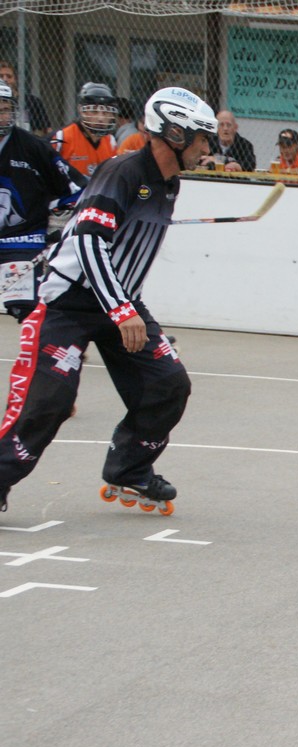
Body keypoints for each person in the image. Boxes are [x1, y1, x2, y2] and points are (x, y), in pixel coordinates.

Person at [0, 86, 218, 515]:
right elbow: (88, 242)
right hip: (69, 303)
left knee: (169, 386)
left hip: (123, 303)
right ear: (175, 135)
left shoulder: (169, 182)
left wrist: (124, 306)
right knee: (50, 403)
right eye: (201, 139)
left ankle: (129, 469)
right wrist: (120, 309)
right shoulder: (123, 172)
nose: (206, 149)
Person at [0, 81, 85, 323]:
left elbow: (76, 190)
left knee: (26, 310)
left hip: (21, 241)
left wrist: (60, 226)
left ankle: (51, 342)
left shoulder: (33, 147)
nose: (2, 115)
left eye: (5, 109)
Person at [50, 81, 118, 178]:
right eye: (94, 111)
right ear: (81, 110)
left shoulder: (110, 142)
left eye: (105, 112)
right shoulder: (62, 138)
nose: (100, 118)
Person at [0, 60, 50, 139]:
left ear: (15, 79)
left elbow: (46, 129)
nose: (5, 79)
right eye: (1, 76)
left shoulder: (32, 101)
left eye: (9, 76)